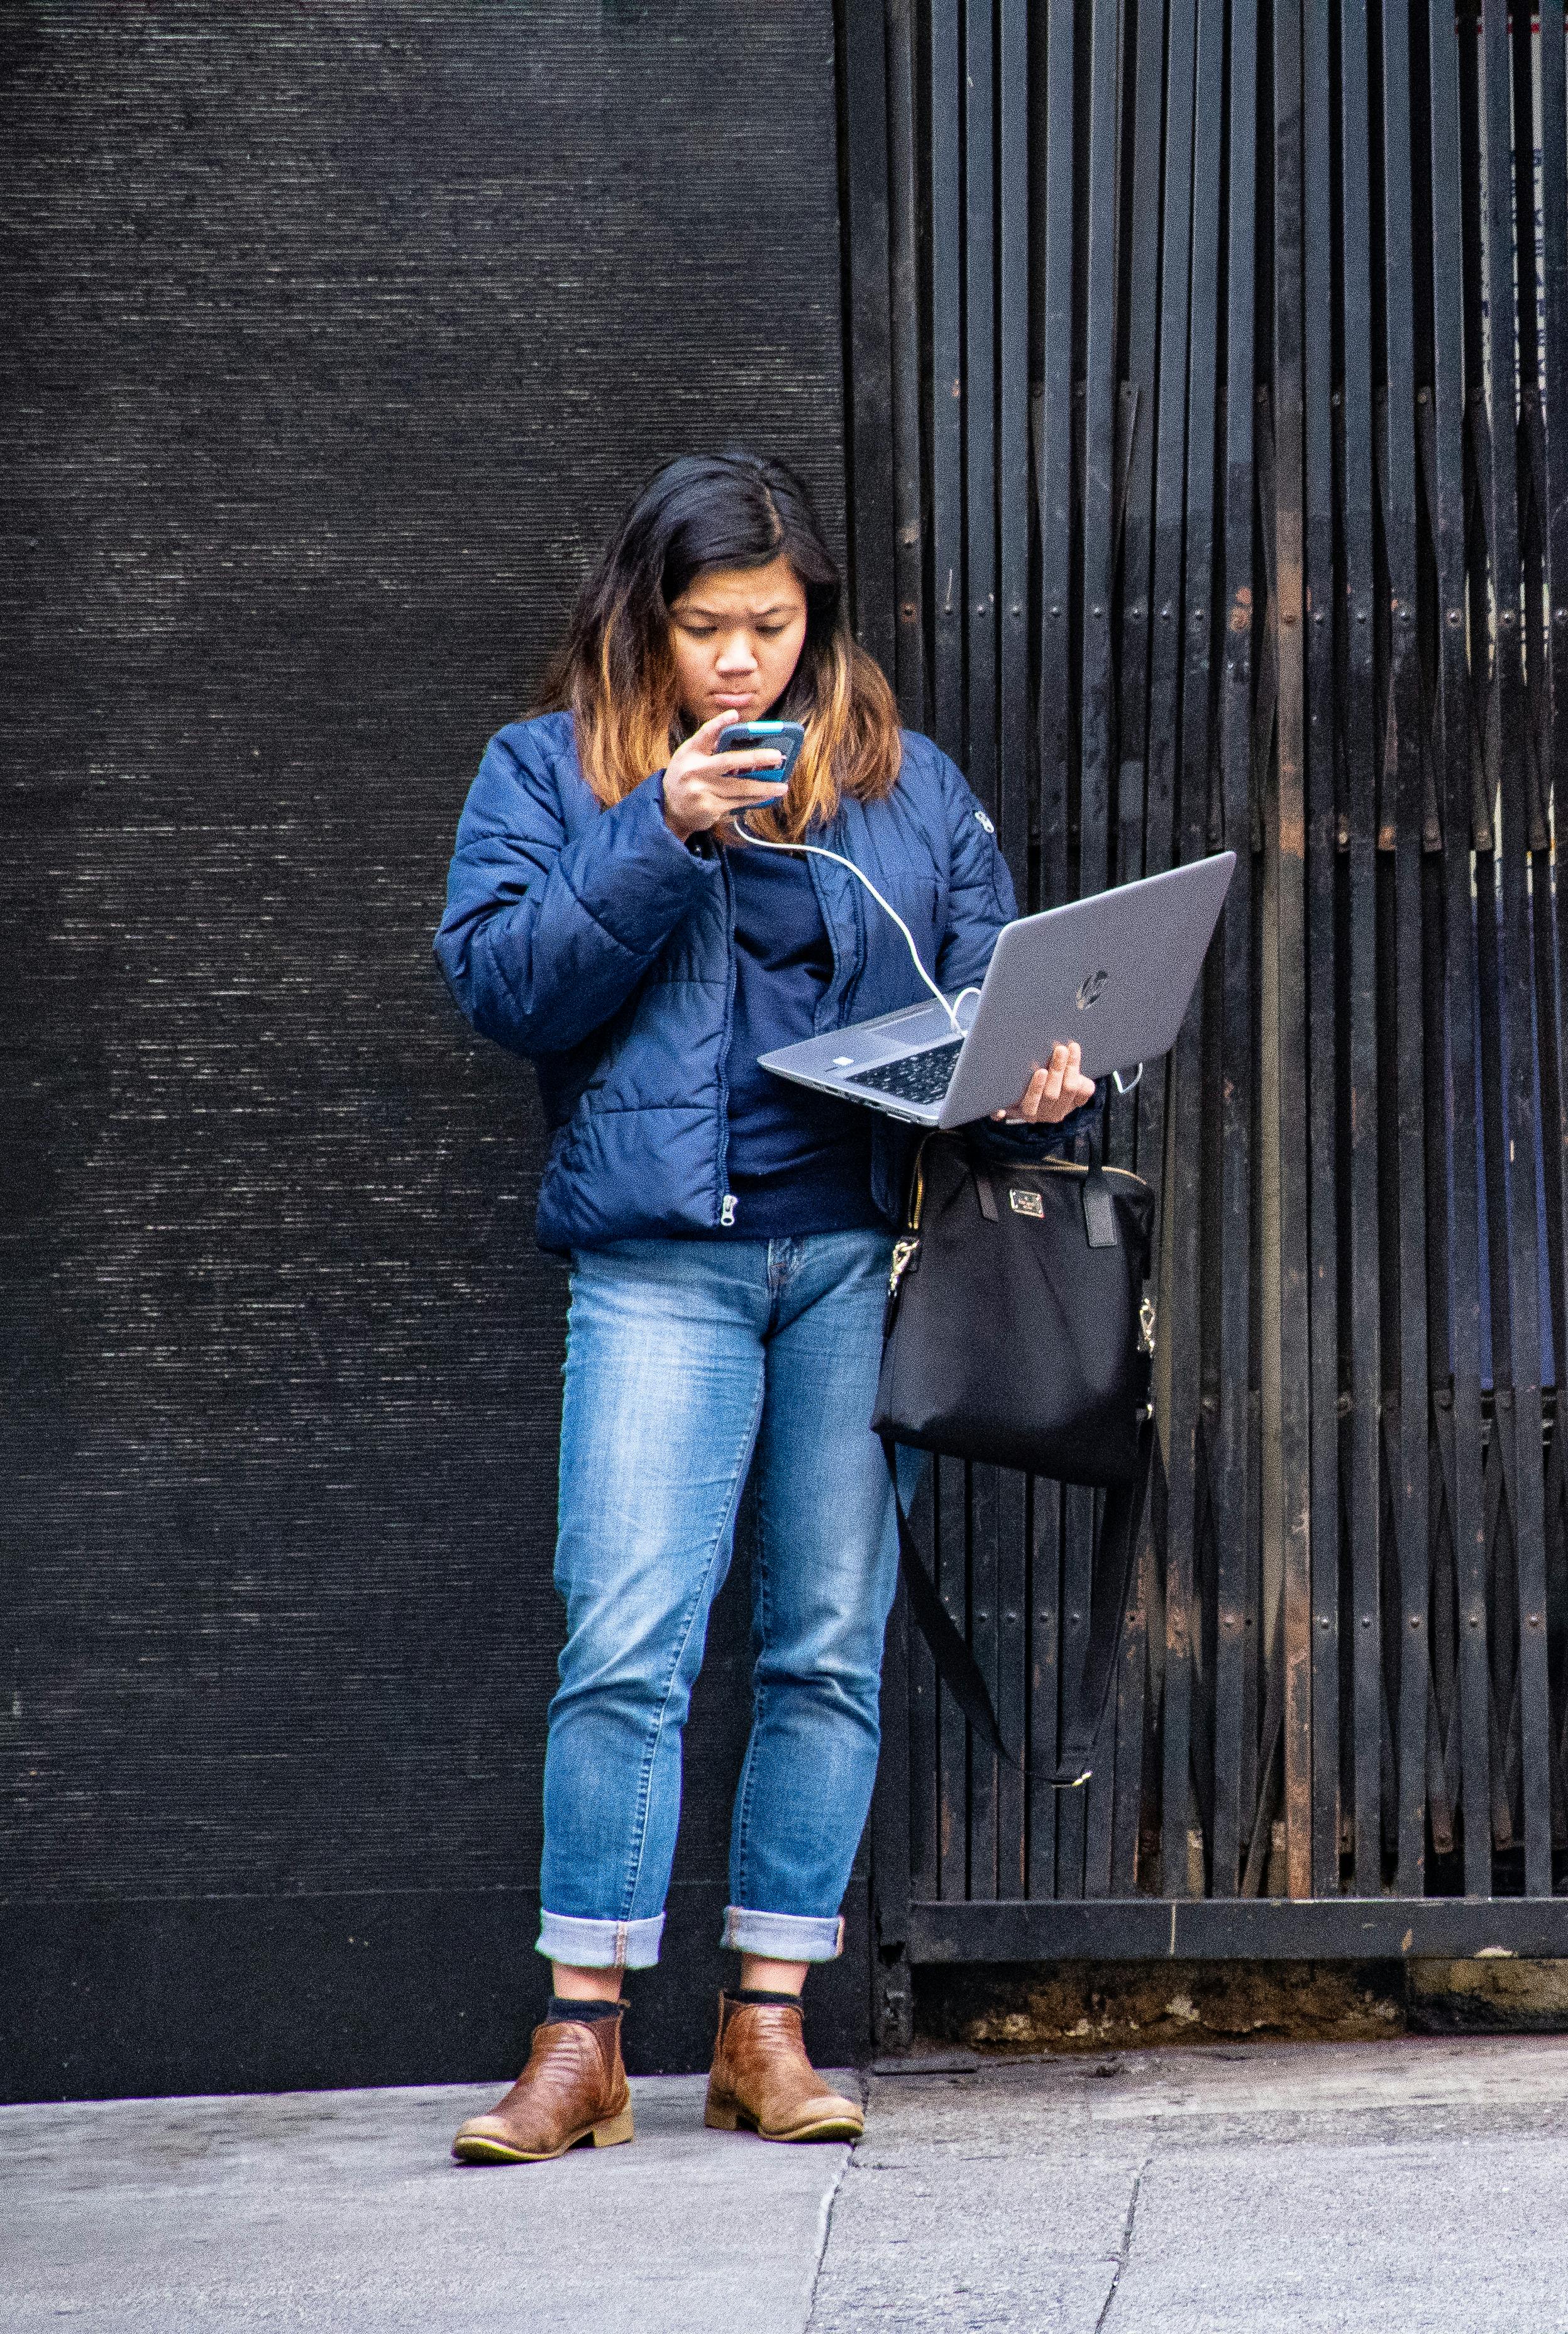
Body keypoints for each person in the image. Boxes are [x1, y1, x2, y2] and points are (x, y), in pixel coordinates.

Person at [433, 451, 1093, 2164]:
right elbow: (503, 985)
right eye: (708, 627)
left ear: (820, 626)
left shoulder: (905, 782)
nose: (741, 664)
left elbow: (988, 986)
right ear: (646, 618)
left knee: (825, 1645)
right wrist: (659, 833)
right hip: (663, 1261)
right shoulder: (552, 769)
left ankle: (767, 2026)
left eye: (773, 629)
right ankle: (582, 2041)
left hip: (858, 1263)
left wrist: (1040, 1082)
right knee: (628, 1635)